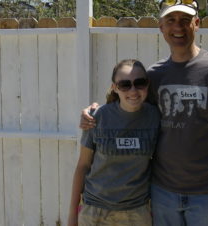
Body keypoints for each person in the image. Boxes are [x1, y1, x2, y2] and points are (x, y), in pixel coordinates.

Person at [80, 0, 208, 226]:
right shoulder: (154, 75)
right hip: (163, 192)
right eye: (171, 21)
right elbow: (131, 106)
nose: (178, 27)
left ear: (197, 23)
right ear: (161, 27)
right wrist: (95, 112)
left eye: (185, 20)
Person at [68, 59, 160, 226]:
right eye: (125, 85)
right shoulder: (97, 117)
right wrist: (72, 215)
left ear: (147, 85)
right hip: (95, 212)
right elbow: (83, 165)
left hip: (136, 213)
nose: (133, 90)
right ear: (114, 88)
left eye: (140, 83)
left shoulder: (156, 117)